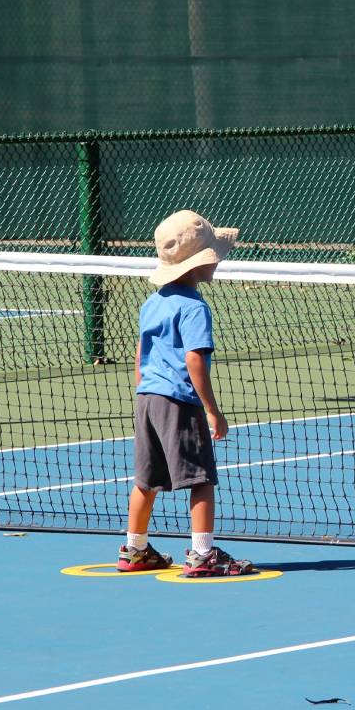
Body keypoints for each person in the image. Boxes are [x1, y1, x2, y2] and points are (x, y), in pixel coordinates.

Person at [116, 210, 255, 577]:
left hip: (148, 398)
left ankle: (135, 549)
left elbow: (140, 352)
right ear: (197, 265)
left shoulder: (154, 301)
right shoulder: (194, 307)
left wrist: (143, 387)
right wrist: (212, 409)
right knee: (201, 479)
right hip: (179, 401)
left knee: (146, 481)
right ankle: (203, 554)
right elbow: (195, 361)